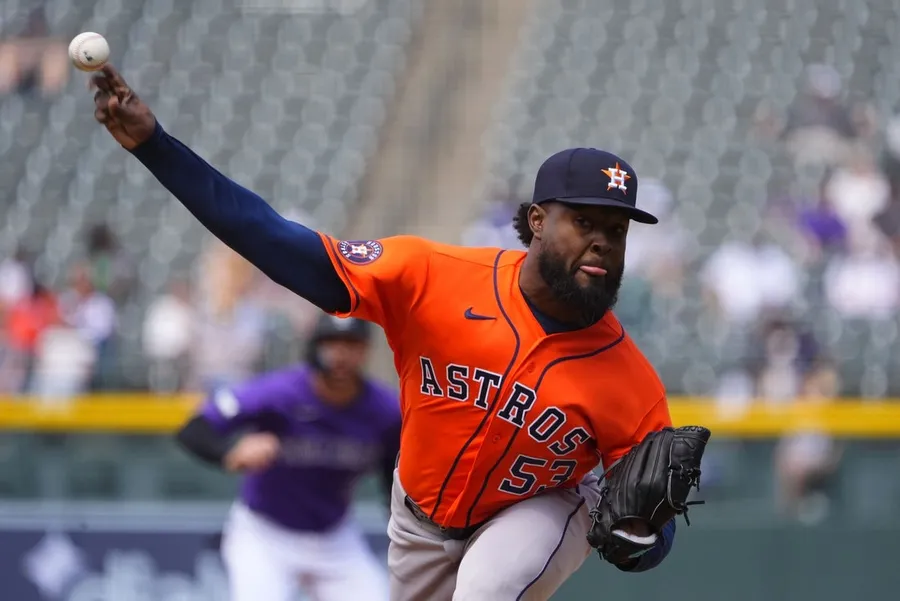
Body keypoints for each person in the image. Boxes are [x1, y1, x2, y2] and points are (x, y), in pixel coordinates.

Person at [93, 64, 683, 600]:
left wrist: (643, 539)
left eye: (617, 229)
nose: (602, 241)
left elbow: (654, 520)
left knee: (486, 590)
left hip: (541, 508)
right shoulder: (432, 276)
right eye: (583, 221)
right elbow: (274, 238)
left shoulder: (629, 380)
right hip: (419, 521)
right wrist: (156, 146)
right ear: (536, 220)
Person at [174, 314, 399, 601]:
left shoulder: (384, 410)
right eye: (332, 343)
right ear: (314, 346)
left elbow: (393, 478)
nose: (341, 353)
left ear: (366, 349)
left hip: (334, 537)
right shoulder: (281, 392)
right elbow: (194, 429)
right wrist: (229, 452)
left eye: (351, 344)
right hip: (265, 534)